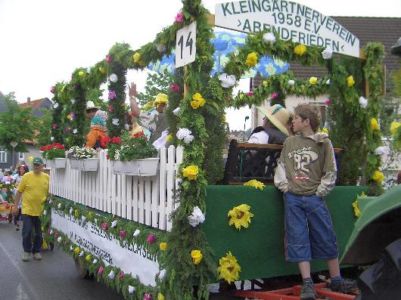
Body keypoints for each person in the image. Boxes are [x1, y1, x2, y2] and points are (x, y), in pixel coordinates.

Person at [274, 104, 356, 300]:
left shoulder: (323, 143)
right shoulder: (290, 142)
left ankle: (336, 279)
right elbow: (282, 166)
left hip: (314, 198)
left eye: (295, 118)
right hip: (293, 198)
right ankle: (307, 283)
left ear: (306, 122)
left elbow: (330, 169)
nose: (292, 121)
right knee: (297, 237)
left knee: (325, 234)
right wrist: (285, 187)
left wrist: (320, 192)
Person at [13, 157, 49, 262]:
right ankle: (26, 251)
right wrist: (15, 206)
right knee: (27, 231)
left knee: (38, 233)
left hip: (40, 210)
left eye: (38, 165)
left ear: (42, 166)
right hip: (27, 209)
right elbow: (19, 192)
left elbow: (50, 193)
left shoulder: (47, 177)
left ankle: (36, 251)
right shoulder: (26, 176)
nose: (36, 167)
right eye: (35, 165)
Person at [13, 164, 29, 231]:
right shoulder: (16, 176)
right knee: (17, 210)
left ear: (25, 170)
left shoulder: (27, 176)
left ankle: (24, 224)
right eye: (20, 169)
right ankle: (16, 224)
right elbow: (12, 181)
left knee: (23, 210)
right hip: (17, 194)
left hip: (24, 195)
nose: (21, 170)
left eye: (23, 169)